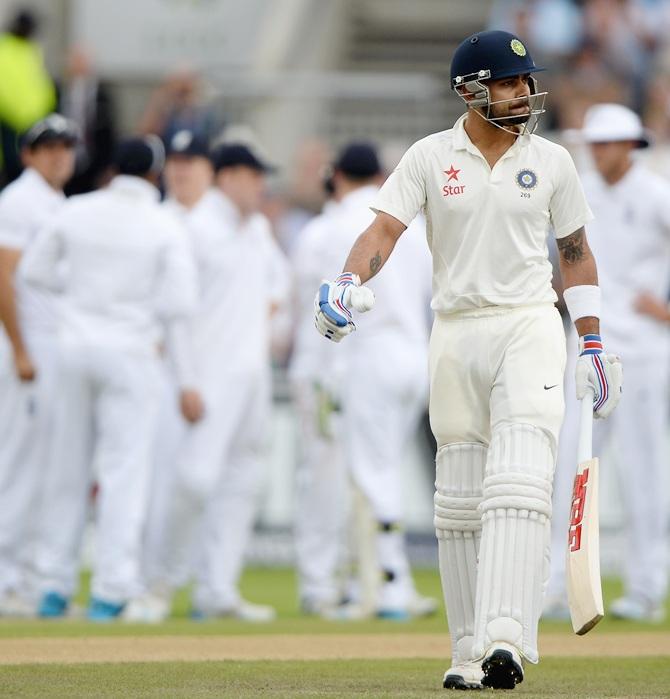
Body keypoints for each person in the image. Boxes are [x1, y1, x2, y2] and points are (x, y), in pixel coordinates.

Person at [314, 30, 622, 691]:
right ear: (470, 91)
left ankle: (506, 637)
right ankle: (465, 652)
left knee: (516, 484)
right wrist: (346, 281)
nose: (521, 92)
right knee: (458, 501)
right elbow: (383, 230)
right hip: (454, 331)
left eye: (522, 81)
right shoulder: (429, 158)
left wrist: (591, 338)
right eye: (508, 82)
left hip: (530, 324)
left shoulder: (554, 161)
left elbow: (574, 252)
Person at [22, 136, 197, 621]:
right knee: (124, 472)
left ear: (111, 170)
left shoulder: (75, 209)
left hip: (73, 347)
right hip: (130, 353)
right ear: (153, 175)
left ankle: (53, 585)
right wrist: (133, 310)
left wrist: (81, 296)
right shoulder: (163, 224)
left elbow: (34, 273)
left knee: (65, 469)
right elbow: (181, 302)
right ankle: (111, 590)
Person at [127, 142, 288, 622]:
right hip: (205, 378)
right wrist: (187, 381)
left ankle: (217, 589)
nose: (262, 185)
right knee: (192, 481)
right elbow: (173, 316)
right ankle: (158, 585)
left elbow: (276, 291)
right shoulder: (193, 230)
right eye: (254, 175)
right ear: (229, 176)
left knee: (242, 483)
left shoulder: (258, 229)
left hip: (251, 378)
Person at [545, 103, 669, 623]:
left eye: (605, 144)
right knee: (569, 468)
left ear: (629, 146)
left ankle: (645, 587)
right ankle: (554, 584)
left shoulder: (656, 194)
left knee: (646, 473)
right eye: (592, 145)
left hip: (642, 350)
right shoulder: (585, 193)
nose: (597, 153)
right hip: (588, 347)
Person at [124, 129, 212, 620]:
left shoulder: (225, 223)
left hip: (207, 374)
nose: (182, 169)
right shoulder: (158, 221)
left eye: (191, 160)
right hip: (160, 373)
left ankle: (197, 584)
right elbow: (170, 313)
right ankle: (144, 583)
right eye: (174, 162)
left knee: (200, 485)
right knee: (153, 482)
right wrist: (184, 378)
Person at [0, 114, 77, 617]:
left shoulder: (57, 203)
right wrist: (22, 350)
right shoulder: (19, 200)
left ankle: (27, 577)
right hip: (24, 345)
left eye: (65, 147)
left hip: (53, 345)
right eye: (47, 147)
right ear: (28, 154)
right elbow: (4, 278)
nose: (58, 156)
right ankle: (7, 579)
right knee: (19, 463)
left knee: (48, 464)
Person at [0, 9, 57, 184]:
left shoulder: (31, 50)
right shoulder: (5, 48)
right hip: (8, 124)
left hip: (31, 124)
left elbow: (41, 85)